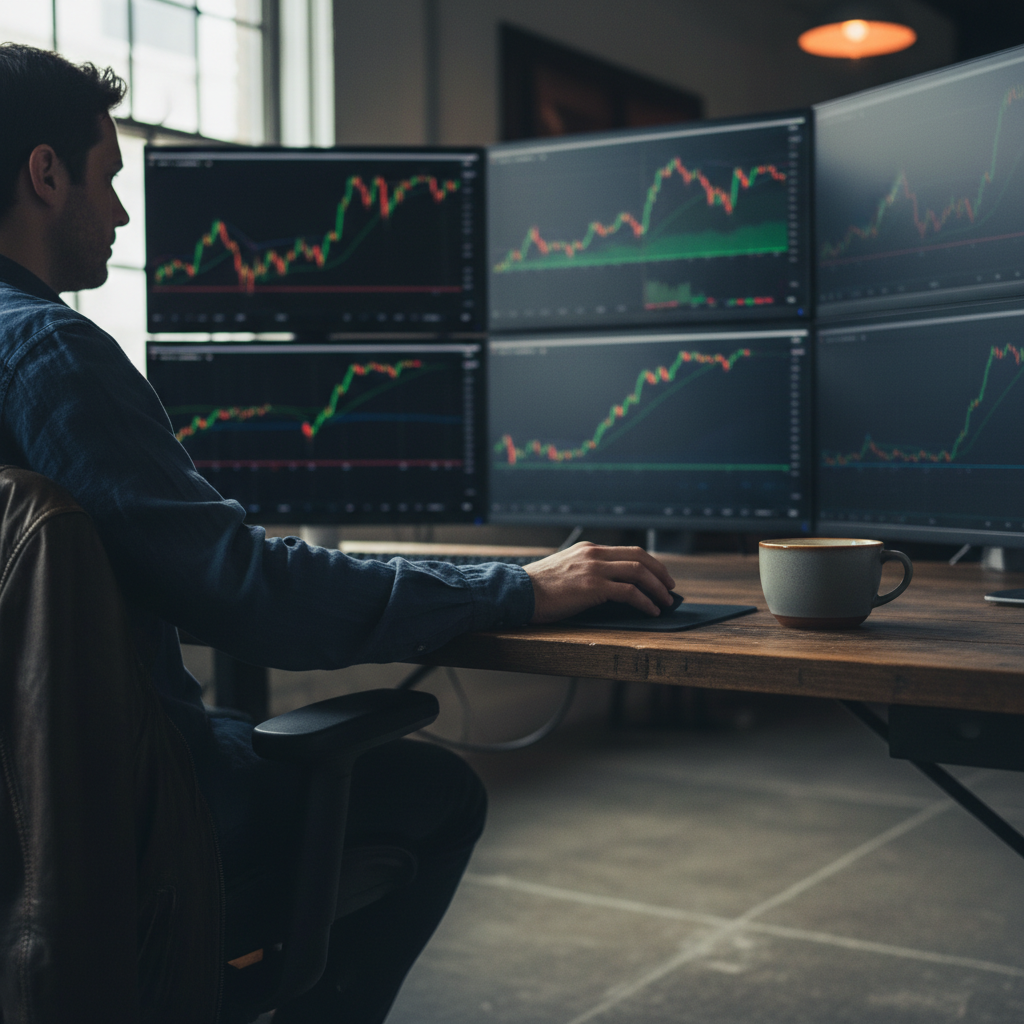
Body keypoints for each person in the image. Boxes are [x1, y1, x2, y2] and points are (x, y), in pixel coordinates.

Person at [0, 43, 676, 1023]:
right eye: (106, 178)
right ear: (45, 173)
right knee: (433, 794)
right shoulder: (49, 350)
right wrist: (519, 586)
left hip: (24, 823)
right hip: (125, 820)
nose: (122, 212)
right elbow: (246, 592)